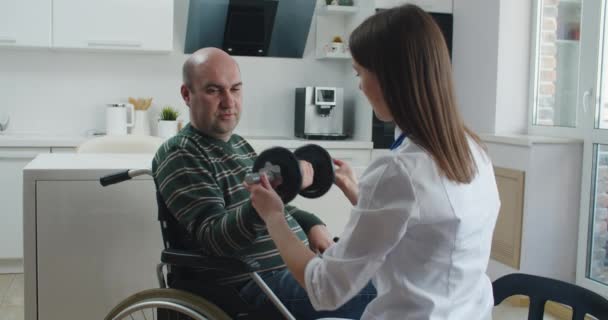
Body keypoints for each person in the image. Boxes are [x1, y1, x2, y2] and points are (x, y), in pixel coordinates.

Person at [245, 4, 501, 320]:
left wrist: (274, 217)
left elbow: (325, 288)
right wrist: (358, 191)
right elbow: (424, 230)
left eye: (359, 72)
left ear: (388, 78)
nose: (360, 85)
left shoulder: (398, 171)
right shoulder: (472, 150)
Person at [152, 47, 376, 319]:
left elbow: (269, 204)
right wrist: (271, 200)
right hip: (250, 283)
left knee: (384, 267)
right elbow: (215, 237)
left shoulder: (240, 146)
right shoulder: (181, 153)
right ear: (187, 95)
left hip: (292, 266)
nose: (228, 102)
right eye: (214, 90)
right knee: (382, 286)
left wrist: (311, 222)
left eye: (235, 89)